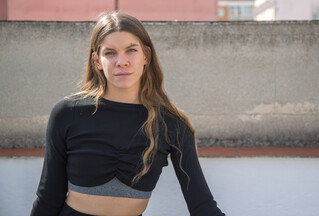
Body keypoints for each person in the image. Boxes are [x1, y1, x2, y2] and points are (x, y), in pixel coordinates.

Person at [31, 12, 225, 216]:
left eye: (131, 50)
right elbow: (47, 199)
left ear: (146, 56)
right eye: (110, 53)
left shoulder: (171, 123)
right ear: (97, 61)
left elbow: (202, 206)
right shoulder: (67, 113)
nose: (121, 61)